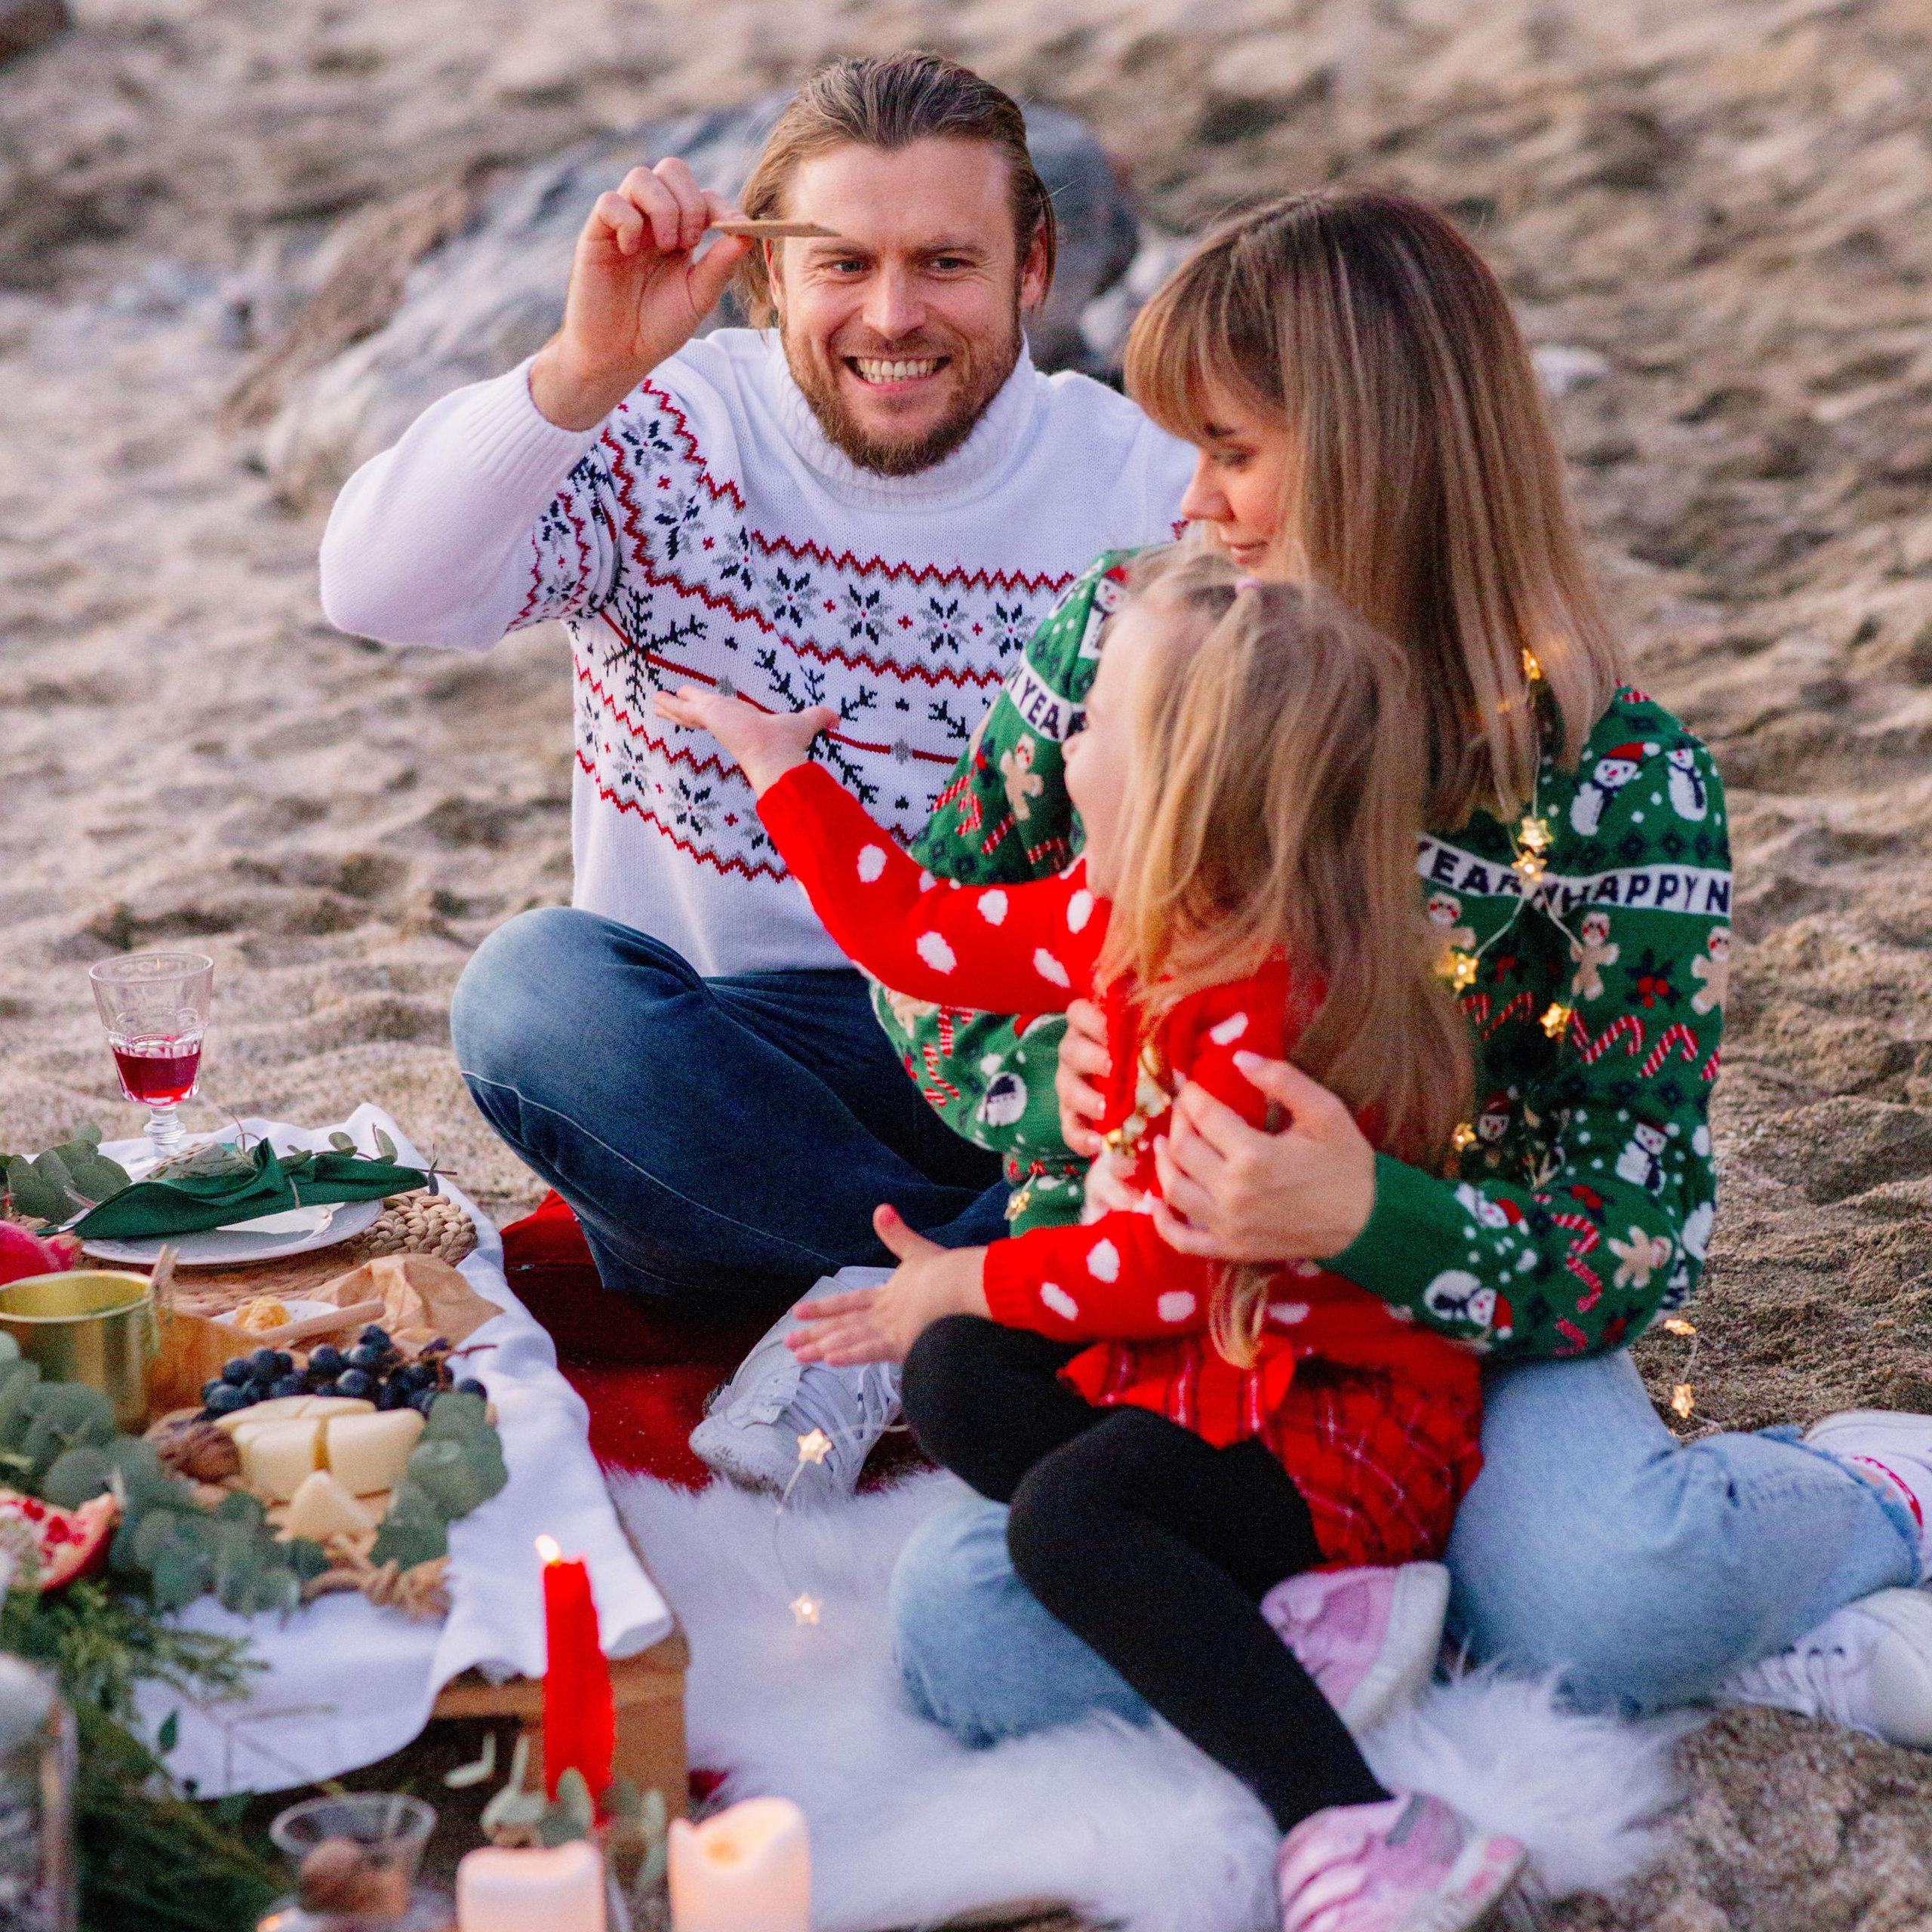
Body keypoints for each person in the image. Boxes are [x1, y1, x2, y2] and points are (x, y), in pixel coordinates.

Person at [881, 189, 1932, 1749]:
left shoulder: (1609, 781)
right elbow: (927, 949)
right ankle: (1406, 1597)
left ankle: (1862, 1493)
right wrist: (1049, 1079)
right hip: (1171, 1327)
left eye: (1230, 452)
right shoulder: (1122, 647)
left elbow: (1636, 1228)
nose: (1188, 505)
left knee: (1614, 1597)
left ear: (1378, 453)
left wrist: (1370, 1214)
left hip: (1452, 1331)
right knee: (966, 1643)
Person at [317, 53, 1194, 1495]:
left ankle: (886, 1307)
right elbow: (376, 586)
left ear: (1035, 267)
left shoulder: (1138, 484)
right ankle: (978, 1283)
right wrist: (583, 370)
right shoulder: (673, 432)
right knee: (532, 992)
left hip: (1008, 1074)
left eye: (947, 263)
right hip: (708, 1095)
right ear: (767, 275)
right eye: (843, 262)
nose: (894, 315)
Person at [656, 548, 1525, 1932]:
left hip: (1328, 1420)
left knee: (1065, 1514)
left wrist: (963, 1275)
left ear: (1184, 787)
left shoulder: (1255, 1007)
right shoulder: (1122, 920)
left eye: (1098, 719)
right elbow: (919, 936)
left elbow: (1163, 1267)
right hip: (1207, 1374)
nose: (1064, 737)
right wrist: (781, 772)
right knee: (953, 1378)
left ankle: (1352, 1818)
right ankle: (1276, 1615)